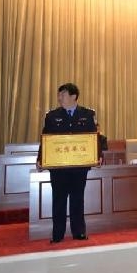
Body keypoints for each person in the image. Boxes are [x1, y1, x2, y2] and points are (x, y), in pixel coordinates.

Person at [37, 83, 100, 243]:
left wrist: (98, 156)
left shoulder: (87, 114)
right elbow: (46, 139)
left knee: (77, 199)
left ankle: (79, 232)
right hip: (58, 167)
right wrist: (40, 159)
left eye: (63, 94)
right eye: (59, 95)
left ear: (73, 96)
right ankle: (57, 234)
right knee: (58, 199)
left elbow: (94, 137)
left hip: (79, 167)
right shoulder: (52, 116)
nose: (59, 98)